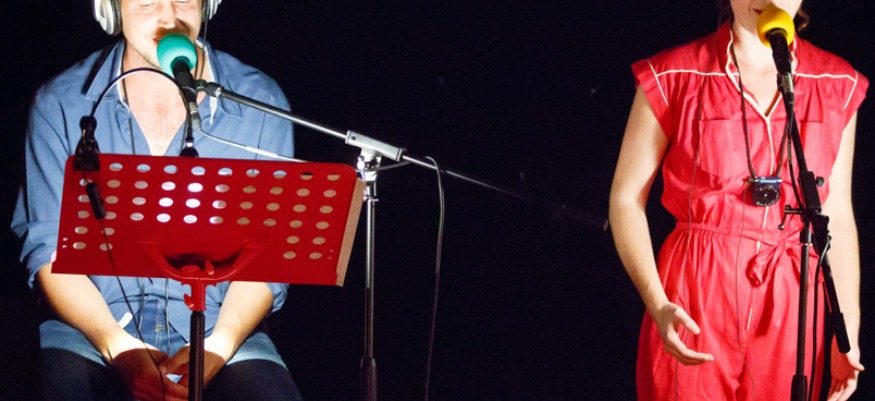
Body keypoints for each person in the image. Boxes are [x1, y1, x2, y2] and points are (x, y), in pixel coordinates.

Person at [11, 0, 304, 400]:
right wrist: (117, 346)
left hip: (221, 330)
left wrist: (218, 347)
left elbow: (266, 260)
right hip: (89, 329)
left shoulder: (261, 100)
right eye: (148, 1)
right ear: (111, 10)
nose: (169, 17)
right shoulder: (60, 102)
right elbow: (48, 252)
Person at [609, 1, 866, 400]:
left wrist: (846, 331)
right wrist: (657, 302)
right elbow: (626, 198)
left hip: (792, 297)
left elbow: (836, 216)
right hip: (697, 291)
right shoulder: (675, 73)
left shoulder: (835, 82)